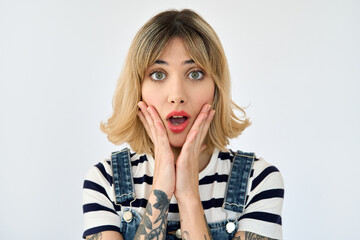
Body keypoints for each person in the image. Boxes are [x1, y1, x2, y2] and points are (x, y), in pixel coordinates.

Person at [82, 9, 284, 240]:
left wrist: (188, 195)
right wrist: (161, 188)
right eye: (158, 74)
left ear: (216, 88)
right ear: (138, 89)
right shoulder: (104, 180)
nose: (177, 95)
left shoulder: (258, 180)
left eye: (195, 74)